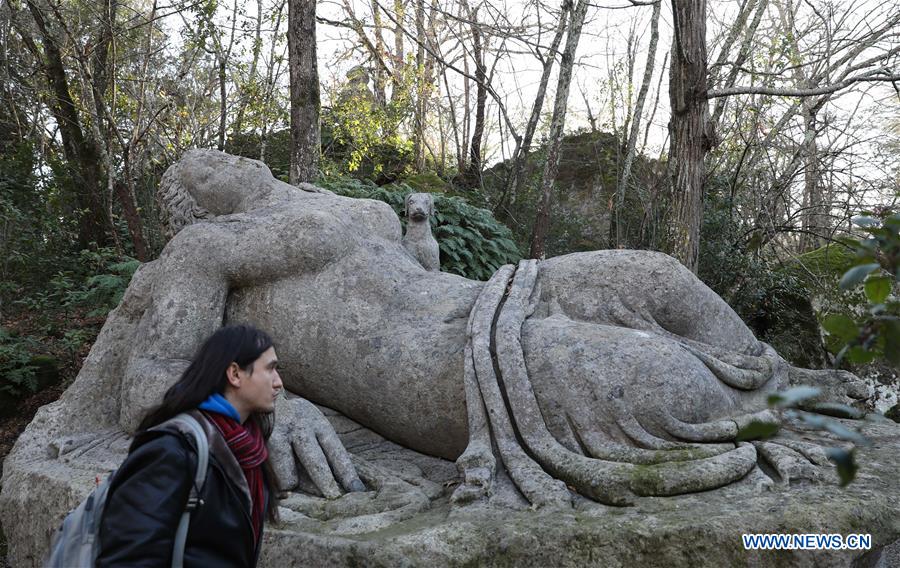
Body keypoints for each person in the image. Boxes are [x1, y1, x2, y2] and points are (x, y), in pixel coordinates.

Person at [97, 324, 283, 567]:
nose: (278, 382)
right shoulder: (171, 450)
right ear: (235, 374)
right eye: (270, 369)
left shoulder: (247, 449)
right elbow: (128, 557)